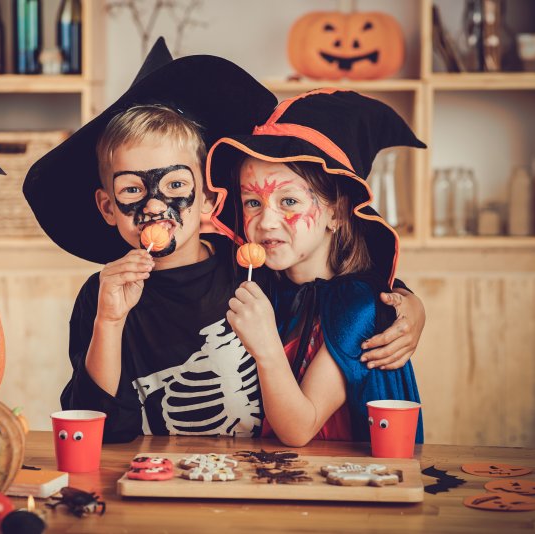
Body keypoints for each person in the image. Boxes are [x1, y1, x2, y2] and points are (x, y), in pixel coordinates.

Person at [24, 40, 424, 443]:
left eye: (175, 185)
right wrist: (108, 322)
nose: (155, 206)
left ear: (209, 200)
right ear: (108, 207)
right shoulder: (103, 297)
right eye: (132, 191)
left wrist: (406, 304)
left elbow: (337, 291)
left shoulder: (254, 270)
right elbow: (99, 433)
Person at [206, 88, 425, 447]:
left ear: (337, 213)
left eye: (288, 201)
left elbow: (299, 428)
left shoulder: (358, 306)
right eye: (252, 202)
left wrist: (265, 347)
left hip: (344, 486)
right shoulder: (264, 284)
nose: (266, 222)